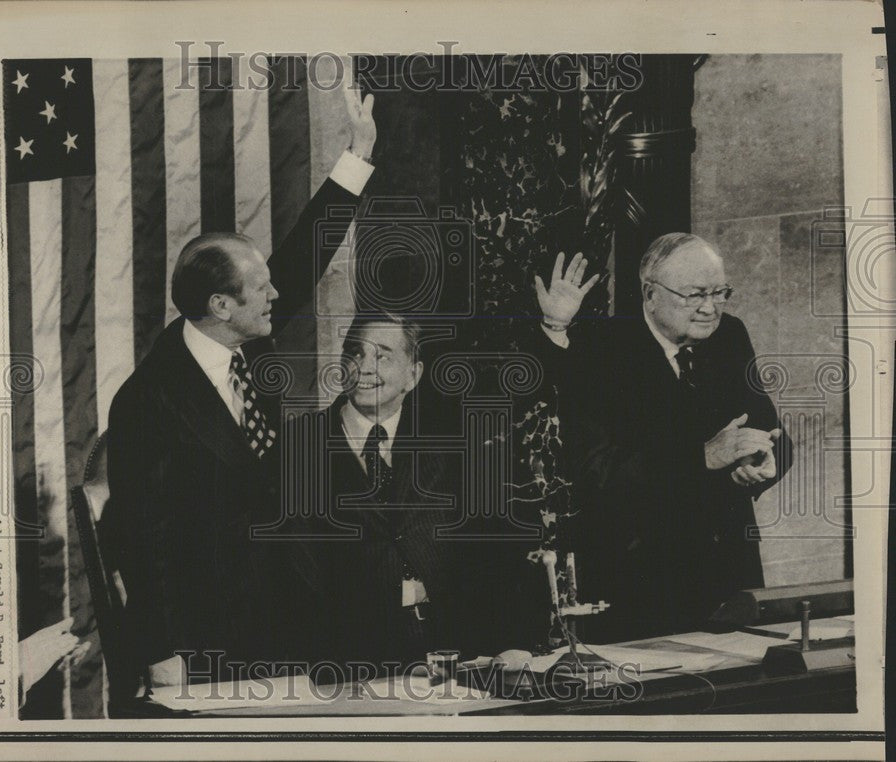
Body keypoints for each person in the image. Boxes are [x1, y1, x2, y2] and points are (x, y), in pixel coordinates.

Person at [103, 80, 377, 692]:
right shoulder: (148, 401)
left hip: (295, 613)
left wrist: (357, 156)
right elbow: (138, 536)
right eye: (260, 289)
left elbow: (303, 261)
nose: (277, 294)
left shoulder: (248, 347)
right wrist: (158, 651)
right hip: (212, 638)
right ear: (221, 305)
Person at [532, 233, 793, 641]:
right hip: (642, 581)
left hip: (729, 575)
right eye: (693, 295)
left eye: (719, 292)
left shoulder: (730, 336)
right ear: (651, 295)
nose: (710, 308)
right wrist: (702, 457)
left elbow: (768, 429)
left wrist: (762, 460)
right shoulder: (603, 349)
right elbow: (597, 471)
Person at [291, 313, 508, 672]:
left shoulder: (448, 447)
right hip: (345, 661)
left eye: (383, 355)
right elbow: (295, 578)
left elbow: (485, 557)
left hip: (451, 650)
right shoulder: (298, 447)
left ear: (413, 374)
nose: (364, 367)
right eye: (355, 353)